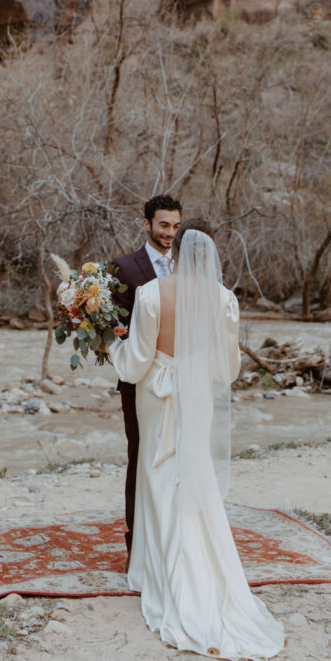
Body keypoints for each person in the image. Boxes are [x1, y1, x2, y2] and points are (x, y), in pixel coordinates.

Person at [107, 225, 284, 659]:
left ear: (177, 252)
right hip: (198, 395)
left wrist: (111, 345)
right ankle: (203, 565)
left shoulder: (151, 294)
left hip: (157, 394)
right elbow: (227, 371)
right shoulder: (224, 299)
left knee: (156, 473)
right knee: (194, 474)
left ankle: (153, 574)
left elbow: (135, 365)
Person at [111, 195, 183, 557]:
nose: (170, 233)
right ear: (146, 224)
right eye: (163, 225)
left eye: (175, 226)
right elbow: (114, 328)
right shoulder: (125, 268)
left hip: (183, 381)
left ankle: (174, 541)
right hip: (140, 382)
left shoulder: (192, 264)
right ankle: (136, 545)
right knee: (140, 457)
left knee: (180, 459)